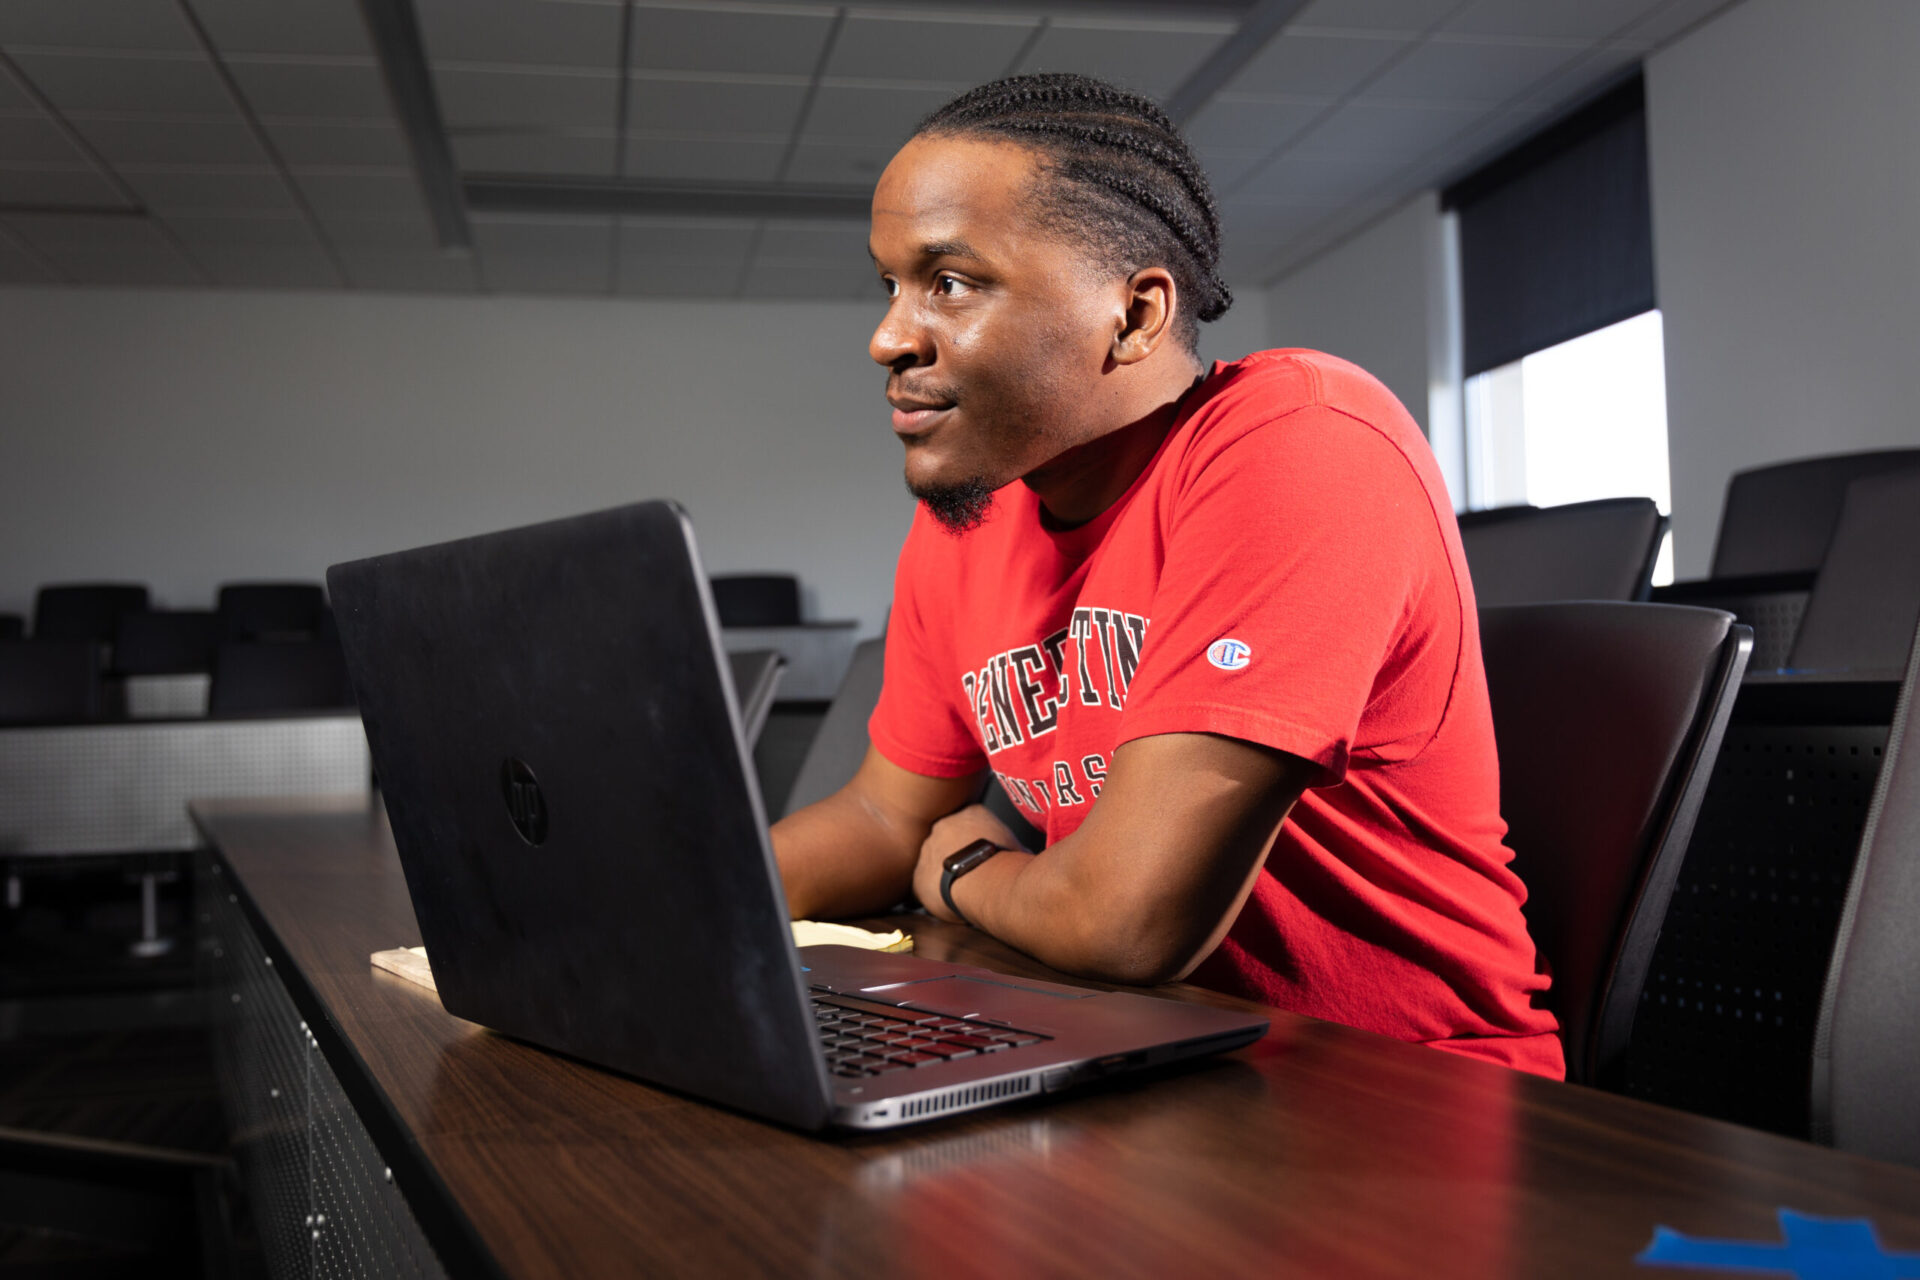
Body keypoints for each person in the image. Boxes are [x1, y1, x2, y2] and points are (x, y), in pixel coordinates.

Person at [770, 72, 1563, 1079]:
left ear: (1136, 315)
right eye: (890, 285)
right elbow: (888, 815)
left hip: (1405, 1092)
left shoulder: (1297, 442)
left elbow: (1125, 920)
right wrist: (679, 894)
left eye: (951, 283)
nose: (888, 336)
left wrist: (970, 869)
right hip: (1151, 1057)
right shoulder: (967, 520)